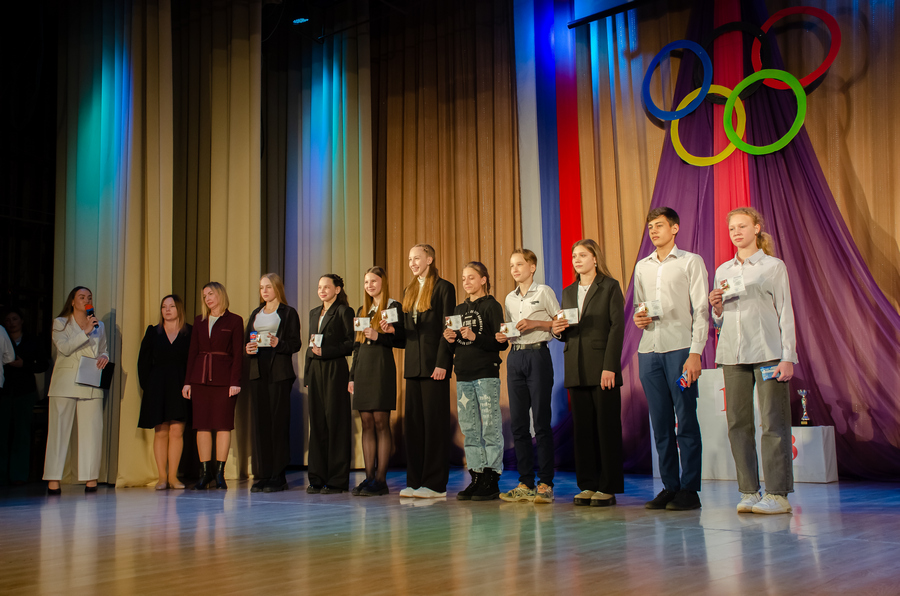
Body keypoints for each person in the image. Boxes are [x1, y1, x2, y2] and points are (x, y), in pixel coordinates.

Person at [709, 207, 797, 515]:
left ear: (756, 228)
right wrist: (717, 309)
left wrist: (788, 356)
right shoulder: (723, 270)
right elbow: (719, 322)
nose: (736, 232)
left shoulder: (773, 266)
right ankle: (748, 491)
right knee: (738, 424)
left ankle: (778, 494)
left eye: (742, 226)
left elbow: (785, 311)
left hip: (767, 352)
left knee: (773, 421)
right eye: (732, 228)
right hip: (732, 354)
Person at [633, 207, 709, 511]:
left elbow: (701, 310)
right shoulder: (642, 266)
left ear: (674, 228)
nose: (653, 231)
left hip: (679, 349)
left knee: (685, 419)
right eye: (650, 226)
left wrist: (695, 352)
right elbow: (641, 306)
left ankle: (690, 489)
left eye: (659, 225)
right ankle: (669, 486)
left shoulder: (690, 261)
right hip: (649, 350)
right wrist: (639, 318)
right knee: (660, 422)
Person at [552, 240, 625, 507]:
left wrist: (610, 366)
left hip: (602, 366)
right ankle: (587, 485)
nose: (577, 259)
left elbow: (617, 327)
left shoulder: (609, 286)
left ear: (595, 258)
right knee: (582, 430)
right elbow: (567, 330)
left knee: (606, 428)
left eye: (583, 255)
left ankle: (608, 487)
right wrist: (556, 331)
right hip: (576, 366)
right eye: (574, 255)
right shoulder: (568, 291)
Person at [387, 244, 455, 499]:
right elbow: (406, 335)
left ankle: (435, 485)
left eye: (417, 258)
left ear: (429, 259)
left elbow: (448, 329)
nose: (412, 263)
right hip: (413, 367)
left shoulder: (444, 288)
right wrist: (392, 331)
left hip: (434, 366)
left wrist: (442, 363)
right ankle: (415, 482)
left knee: (435, 426)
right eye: (409, 259)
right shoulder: (409, 290)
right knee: (414, 427)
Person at [497, 249, 559, 505]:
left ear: (532, 267)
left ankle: (545, 483)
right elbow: (510, 329)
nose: (515, 269)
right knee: (519, 424)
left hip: (537, 355)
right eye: (512, 265)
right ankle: (525, 482)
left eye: (520, 264)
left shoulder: (544, 292)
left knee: (541, 422)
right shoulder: (509, 298)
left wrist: (536, 324)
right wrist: (503, 336)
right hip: (515, 357)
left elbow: (560, 323)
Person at [442, 262, 507, 501]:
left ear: (483, 280)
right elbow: (455, 344)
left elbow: (500, 343)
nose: (466, 282)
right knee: (469, 428)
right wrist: (450, 338)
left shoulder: (492, 306)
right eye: (463, 278)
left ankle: (492, 477)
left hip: (485, 373)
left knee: (490, 425)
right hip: (463, 374)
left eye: (471, 277)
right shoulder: (459, 309)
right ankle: (476, 475)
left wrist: (475, 336)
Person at [44, 286, 110, 494]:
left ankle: (91, 479)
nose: (86, 300)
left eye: (89, 297)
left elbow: (103, 349)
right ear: (72, 301)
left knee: (92, 431)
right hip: (65, 383)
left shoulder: (99, 325)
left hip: (90, 380)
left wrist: (104, 357)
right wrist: (85, 331)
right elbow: (64, 348)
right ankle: (54, 479)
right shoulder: (60, 323)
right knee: (58, 432)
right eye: (81, 297)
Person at [348, 267, 406, 497]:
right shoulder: (363, 309)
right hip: (363, 368)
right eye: (366, 282)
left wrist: (380, 335)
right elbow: (357, 346)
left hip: (381, 367)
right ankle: (369, 477)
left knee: (381, 422)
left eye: (373, 281)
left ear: (383, 282)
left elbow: (401, 339)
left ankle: (381, 480)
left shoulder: (393, 307)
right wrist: (352, 376)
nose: (369, 285)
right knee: (367, 423)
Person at [245, 273, 302, 493]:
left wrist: (279, 342)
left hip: (278, 373)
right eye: (262, 287)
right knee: (261, 425)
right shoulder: (256, 313)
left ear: (277, 288)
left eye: (268, 287)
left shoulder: (288, 313)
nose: (264, 291)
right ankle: (265, 474)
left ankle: (278, 476)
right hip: (258, 371)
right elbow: (247, 340)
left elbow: (295, 344)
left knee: (278, 424)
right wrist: (248, 348)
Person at [183, 282, 243, 490]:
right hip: (200, 379)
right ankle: (204, 473)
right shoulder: (199, 321)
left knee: (223, 425)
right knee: (202, 425)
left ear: (220, 294)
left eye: (210, 294)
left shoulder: (234, 320)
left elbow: (238, 354)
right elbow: (192, 352)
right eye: (204, 296)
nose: (207, 298)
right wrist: (187, 381)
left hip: (224, 380)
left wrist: (235, 382)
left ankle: (219, 473)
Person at [304, 274, 354, 494]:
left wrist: (327, 351)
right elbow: (310, 344)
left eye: (326, 287)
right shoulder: (314, 312)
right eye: (319, 287)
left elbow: (351, 343)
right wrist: (307, 374)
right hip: (315, 370)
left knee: (336, 423)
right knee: (317, 424)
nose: (322, 291)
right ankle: (316, 477)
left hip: (335, 368)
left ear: (337, 289)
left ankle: (336, 480)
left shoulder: (344, 311)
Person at [137, 295, 192, 490]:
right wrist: (149, 386)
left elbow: (194, 360)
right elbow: (143, 361)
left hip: (180, 385)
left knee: (177, 431)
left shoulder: (190, 332)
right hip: (157, 386)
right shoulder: (153, 332)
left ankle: (173, 477)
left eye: (171, 306)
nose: (167, 310)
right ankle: (162, 478)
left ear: (179, 309)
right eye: (164, 307)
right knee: (160, 432)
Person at [2, 309, 48, 485]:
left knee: (22, 433)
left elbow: (43, 364)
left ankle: (19, 475)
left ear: (21, 320)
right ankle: (2, 474)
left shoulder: (32, 340)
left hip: (25, 390)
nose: (11, 323)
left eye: (14, 319)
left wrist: (24, 364)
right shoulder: (2, 338)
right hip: (4, 390)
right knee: (2, 433)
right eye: (8, 320)